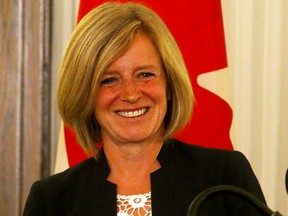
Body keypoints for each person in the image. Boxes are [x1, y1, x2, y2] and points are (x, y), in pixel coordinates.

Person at [23, 2, 266, 216]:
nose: (131, 94)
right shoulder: (52, 199)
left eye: (145, 74)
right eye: (109, 79)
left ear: (169, 85)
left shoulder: (224, 177)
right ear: (85, 94)